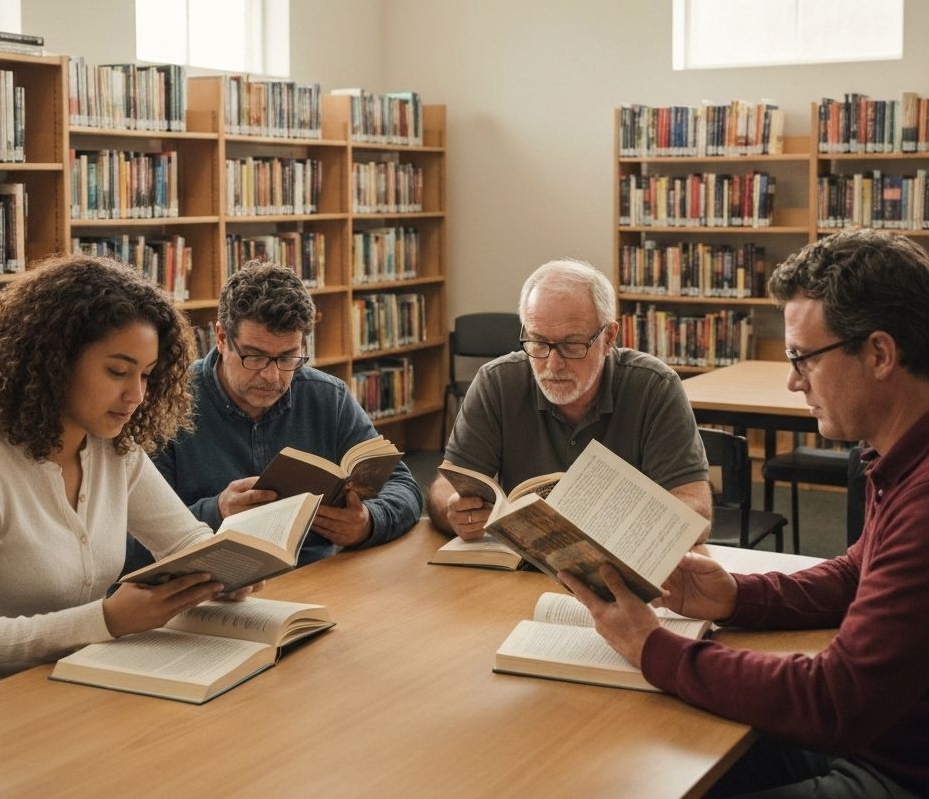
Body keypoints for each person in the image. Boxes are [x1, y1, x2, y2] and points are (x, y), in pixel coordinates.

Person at [558, 229, 929, 799]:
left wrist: (652, 648)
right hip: (879, 736)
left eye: (803, 358)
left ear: (879, 354)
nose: (792, 380)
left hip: (895, 768)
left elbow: (836, 699)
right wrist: (736, 596)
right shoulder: (898, 451)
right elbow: (860, 572)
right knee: (646, 761)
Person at [0, 254, 255, 714]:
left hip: (77, 675)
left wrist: (230, 573)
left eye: (147, 375)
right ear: (55, 359)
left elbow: (187, 543)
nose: (136, 395)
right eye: (117, 371)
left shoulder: (115, 449)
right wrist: (107, 619)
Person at [126, 261, 422, 571]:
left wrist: (368, 523)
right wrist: (217, 512)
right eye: (254, 356)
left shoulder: (327, 398)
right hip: (211, 588)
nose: (272, 376)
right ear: (222, 338)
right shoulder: (165, 404)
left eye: (287, 357)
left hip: (316, 578)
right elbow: (127, 542)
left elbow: (405, 488)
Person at [426, 258, 711, 540]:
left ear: (609, 337)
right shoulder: (497, 381)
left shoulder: (654, 387)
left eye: (571, 345)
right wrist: (453, 510)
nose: (553, 364)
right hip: (521, 571)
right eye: (538, 342)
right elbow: (446, 488)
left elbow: (695, 508)